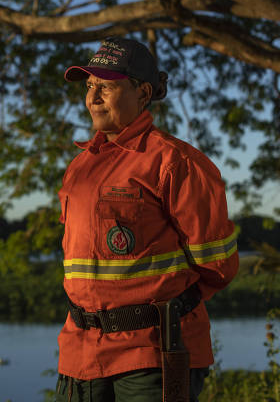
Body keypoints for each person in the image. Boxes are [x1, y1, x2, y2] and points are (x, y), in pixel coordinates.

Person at [53, 37, 239, 402]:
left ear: (143, 93)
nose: (92, 98)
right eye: (90, 86)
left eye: (106, 86)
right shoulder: (79, 167)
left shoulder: (176, 162)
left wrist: (161, 308)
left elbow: (218, 267)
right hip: (81, 353)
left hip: (153, 355)